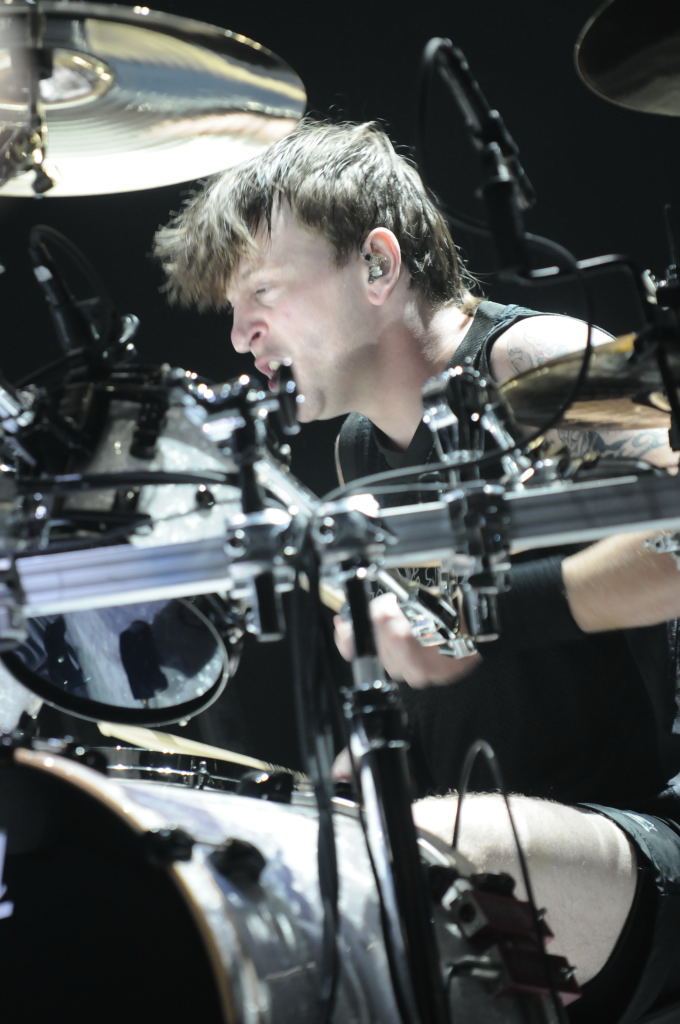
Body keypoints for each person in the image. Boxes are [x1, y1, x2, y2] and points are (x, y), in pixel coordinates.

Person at [154, 119, 680, 1022]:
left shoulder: (544, 358)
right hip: (524, 838)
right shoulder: (362, 450)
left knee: (423, 850)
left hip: (646, 831)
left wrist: (483, 615)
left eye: (263, 291)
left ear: (377, 264)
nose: (241, 335)